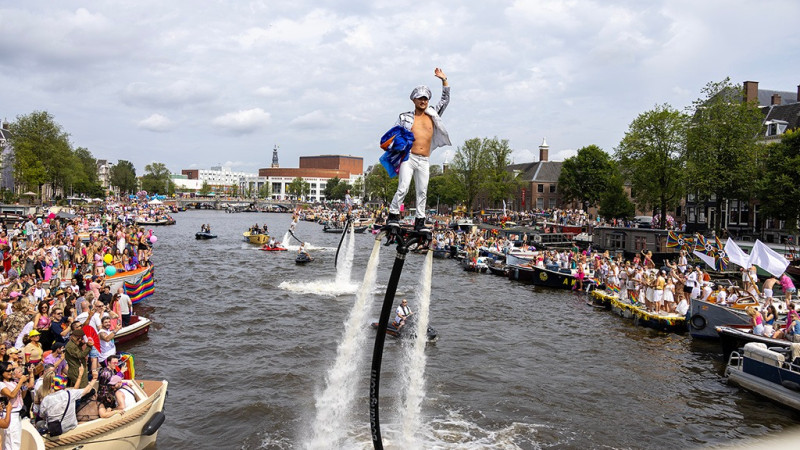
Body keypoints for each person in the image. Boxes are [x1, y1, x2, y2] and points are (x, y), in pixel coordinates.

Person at [387, 68, 451, 232]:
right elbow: (393, 135)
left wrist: (444, 80)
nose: (423, 101)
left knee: (422, 191)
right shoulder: (405, 117)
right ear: (414, 100)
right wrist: (395, 148)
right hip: (409, 157)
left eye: (425, 98)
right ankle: (393, 215)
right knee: (403, 187)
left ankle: (420, 221)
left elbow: (445, 100)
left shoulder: (433, 114)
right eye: (420, 98)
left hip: (424, 159)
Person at [38, 367, 99, 436]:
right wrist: (94, 379)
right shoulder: (70, 394)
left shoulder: (46, 399)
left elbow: (42, 415)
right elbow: (87, 390)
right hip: (70, 427)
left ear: (53, 385)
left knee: (39, 424)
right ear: (64, 385)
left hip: (54, 430)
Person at [0, 360, 34, 450]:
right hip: (9, 414)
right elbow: (11, 395)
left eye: (12, 370)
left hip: (17, 414)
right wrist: (20, 383)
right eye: (8, 370)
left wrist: (23, 384)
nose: (11, 372)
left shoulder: (13, 382)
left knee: (15, 440)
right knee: (11, 441)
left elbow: (22, 396)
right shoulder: (1, 384)